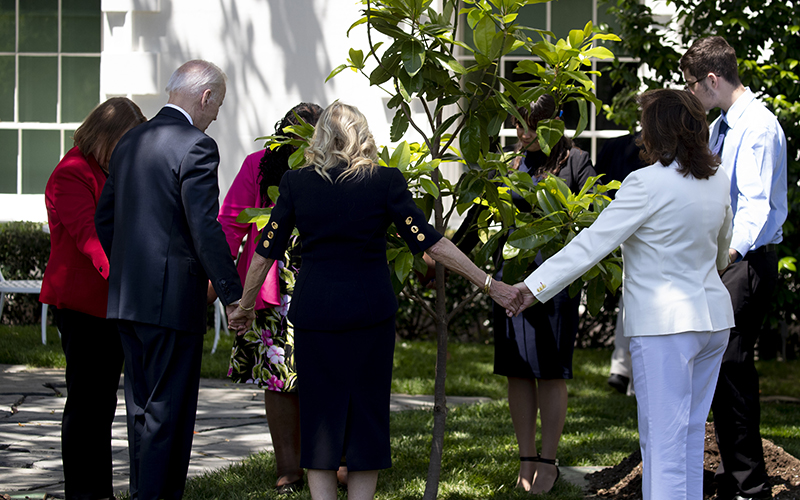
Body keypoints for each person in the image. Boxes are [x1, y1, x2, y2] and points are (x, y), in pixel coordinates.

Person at [227, 102, 523, 500]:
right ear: (362, 137)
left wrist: (245, 307)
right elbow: (430, 242)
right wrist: (491, 284)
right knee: (367, 417)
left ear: (319, 140)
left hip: (316, 315)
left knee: (319, 416)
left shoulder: (297, 184)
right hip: (370, 316)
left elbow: (265, 251)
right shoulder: (385, 182)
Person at [510, 89, 734, 500]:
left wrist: (532, 287)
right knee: (686, 438)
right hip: (713, 323)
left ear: (657, 131)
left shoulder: (645, 183)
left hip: (665, 327)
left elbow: (593, 243)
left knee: (662, 444)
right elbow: (722, 250)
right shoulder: (717, 179)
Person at [94, 60, 243, 500]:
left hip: (127, 300)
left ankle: (143, 492)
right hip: (172, 304)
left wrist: (128, 266)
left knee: (140, 411)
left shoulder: (129, 142)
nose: (216, 115)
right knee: (169, 414)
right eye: (217, 105)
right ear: (205, 97)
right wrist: (232, 295)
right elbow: (205, 228)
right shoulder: (197, 146)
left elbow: (106, 219)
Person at [451, 93, 596, 494]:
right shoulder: (509, 164)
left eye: (532, 125)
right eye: (518, 125)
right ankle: (526, 458)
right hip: (509, 280)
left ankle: (548, 461)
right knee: (516, 368)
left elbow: (595, 218)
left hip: (554, 283)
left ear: (554, 124)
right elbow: (477, 214)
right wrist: (441, 257)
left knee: (551, 370)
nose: (524, 133)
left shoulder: (576, 162)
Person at [680, 36, 788, 500]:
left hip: (743, 261)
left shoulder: (758, 127)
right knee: (721, 368)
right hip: (725, 259)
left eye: (692, 86)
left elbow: (757, 208)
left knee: (732, 368)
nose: (690, 95)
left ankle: (750, 487)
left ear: (712, 79)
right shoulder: (725, 124)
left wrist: (726, 257)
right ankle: (733, 478)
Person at [40, 97, 146, 500]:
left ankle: (98, 490)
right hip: (83, 307)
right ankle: (83, 492)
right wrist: (126, 279)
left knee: (102, 405)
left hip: (112, 303)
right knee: (86, 405)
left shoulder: (112, 170)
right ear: (105, 136)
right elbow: (90, 237)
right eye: (125, 140)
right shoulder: (71, 174)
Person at [217, 102, 324, 493]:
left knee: (324, 374)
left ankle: (328, 461)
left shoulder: (335, 166)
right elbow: (231, 223)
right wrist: (220, 284)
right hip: (274, 285)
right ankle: (289, 468)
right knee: (279, 379)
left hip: (321, 279)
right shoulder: (258, 164)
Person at [594, 132, 647, 395]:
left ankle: (627, 372)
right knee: (631, 299)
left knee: (635, 301)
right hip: (621, 238)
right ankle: (625, 370)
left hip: (645, 247)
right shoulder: (618, 148)